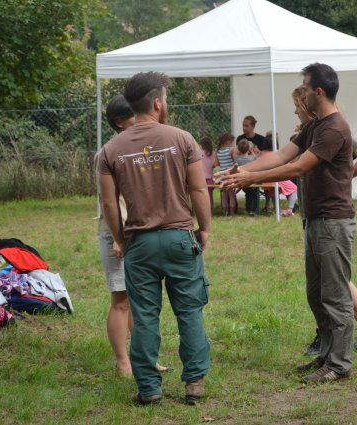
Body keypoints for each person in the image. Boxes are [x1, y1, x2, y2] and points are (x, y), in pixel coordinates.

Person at [218, 63, 356, 383]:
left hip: (333, 222)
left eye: (305, 88)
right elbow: (282, 156)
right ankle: (326, 355)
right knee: (316, 294)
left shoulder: (335, 128)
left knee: (335, 296)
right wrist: (242, 171)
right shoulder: (314, 125)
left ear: (318, 91)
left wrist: (250, 180)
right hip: (315, 221)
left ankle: (339, 364)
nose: (301, 94)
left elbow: (297, 168)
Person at [99, 72, 211, 406]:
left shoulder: (111, 149)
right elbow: (198, 189)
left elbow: (108, 204)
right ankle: (194, 383)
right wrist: (204, 228)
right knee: (189, 312)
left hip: (139, 244)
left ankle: (149, 388)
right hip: (179, 239)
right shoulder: (182, 138)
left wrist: (120, 238)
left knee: (145, 316)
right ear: (158, 103)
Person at [290, 86, 357, 356]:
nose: (295, 111)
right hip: (313, 215)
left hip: (329, 218)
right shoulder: (305, 136)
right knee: (328, 280)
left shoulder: (331, 132)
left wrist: (342, 178)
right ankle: (356, 331)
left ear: (309, 104)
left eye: (297, 105)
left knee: (334, 281)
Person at [97, 95, 170, 378]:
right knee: (122, 300)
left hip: (142, 234)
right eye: (133, 116)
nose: (140, 119)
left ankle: (145, 358)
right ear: (119, 122)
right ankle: (123, 362)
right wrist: (119, 237)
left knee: (139, 300)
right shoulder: (108, 152)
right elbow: (110, 202)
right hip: (117, 234)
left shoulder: (141, 148)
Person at [261, 131, 298, 217]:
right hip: (275, 177)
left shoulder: (263, 153)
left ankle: (276, 208)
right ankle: (290, 209)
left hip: (265, 179)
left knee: (274, 190)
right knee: (294, 188)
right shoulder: (275, 154)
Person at [235, 139, 260, 215]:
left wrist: (239, 150)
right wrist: (252, 151)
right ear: (249, 149)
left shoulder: (237, 158)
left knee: (248, 193)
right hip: (252, 180)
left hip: (242, 180)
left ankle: (249, 208)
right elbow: (257, 160)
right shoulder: (252, 158)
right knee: (254, 194)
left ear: (238, 149)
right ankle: (253, 209)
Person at [215, 132, 237, 216]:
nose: (233, 143)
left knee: (224, 194)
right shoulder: (231, 150)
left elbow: (216, 164)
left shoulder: (218, 151)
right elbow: (235, 161)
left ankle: (225, 212)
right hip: (230, 175)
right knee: (232, 194)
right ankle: (232, 212)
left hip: (222, 176)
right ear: (228, 141)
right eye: (232, 142)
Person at [199, 137, 216, 212]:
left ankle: (202, 209)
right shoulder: (213, 153)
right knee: (210, 195)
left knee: (201, 195)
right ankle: (210, 209)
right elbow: (215, 165)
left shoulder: (199, 152)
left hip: (200, 178)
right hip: (210, 179)